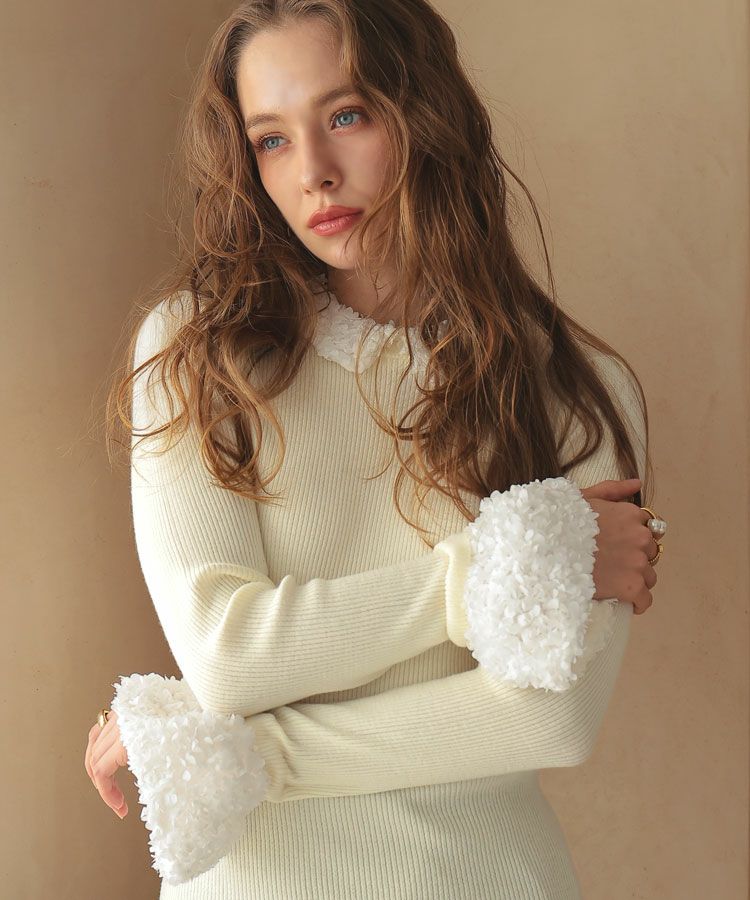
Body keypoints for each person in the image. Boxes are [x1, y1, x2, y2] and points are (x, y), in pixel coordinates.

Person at [84, 1, 666, 897]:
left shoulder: (578, 391)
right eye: (271, 139)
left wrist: (238, 753)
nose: (313, 171)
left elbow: (550, 722)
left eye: (347, 115)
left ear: (425, 113)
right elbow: (227, 656)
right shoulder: (198, 356)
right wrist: (493, 571)